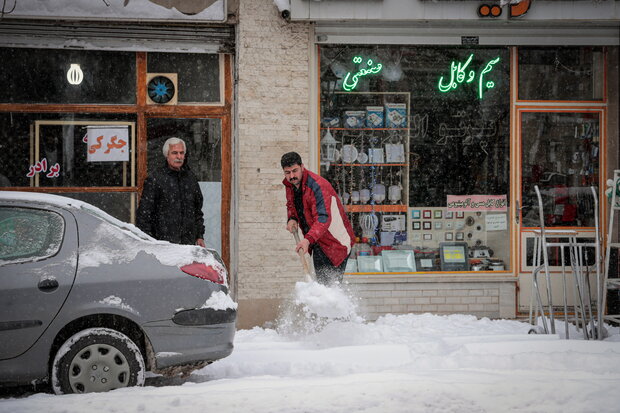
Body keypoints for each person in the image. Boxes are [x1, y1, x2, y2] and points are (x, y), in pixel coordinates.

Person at [281, 151, 355, 285]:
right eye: (287, 172)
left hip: (336, 243)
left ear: (302, 167)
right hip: (319, 241)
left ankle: (336, 305)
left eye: (295, 171)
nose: (292, 176)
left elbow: (323, 218)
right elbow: (292, 204)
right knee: (323, 285)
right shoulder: (291, 185)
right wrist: (292, 218)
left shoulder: (318, 186)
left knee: (330, 288)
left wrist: (307, 240)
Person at [137, 137, 206, 247]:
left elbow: (197, 211)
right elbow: (144, 214)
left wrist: (199, 236)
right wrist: (148, 240)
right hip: (162, 243)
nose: (179, 157)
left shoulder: (190, 179)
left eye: (181, 153)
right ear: (167, 155)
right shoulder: (156, 179)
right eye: (174, 153)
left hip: (188, 244)